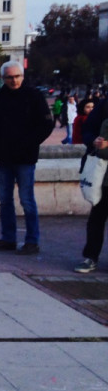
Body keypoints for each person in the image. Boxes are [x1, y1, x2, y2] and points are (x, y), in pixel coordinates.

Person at [0, 61, 55, 254]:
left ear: (22, 76)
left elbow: (46, 125)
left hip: (26, 156)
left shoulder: (34, 96)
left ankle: (32, 240)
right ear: (3, 78)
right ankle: (8, 238)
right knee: (5, 199)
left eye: (17, 76)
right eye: (9, 77)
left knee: (27, 199)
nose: (14, 80)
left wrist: (30, 142)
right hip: (4, 156)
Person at [75, 100, 108, 272]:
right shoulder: (103, 106)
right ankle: (90, 256)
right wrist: (93, 140)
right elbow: (86, 130)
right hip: (101, 173)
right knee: (96, 218)